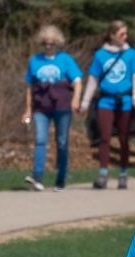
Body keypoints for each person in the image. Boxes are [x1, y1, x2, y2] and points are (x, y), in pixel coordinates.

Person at [78, 21, 135, 191]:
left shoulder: (131, 53)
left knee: (123, 138)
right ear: (112, 35)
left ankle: (123, 173)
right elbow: (93, 80)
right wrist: (85, 103)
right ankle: (103, 173)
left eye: (126, 34)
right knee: (105, 137)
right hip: (105, 101)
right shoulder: (101, 55)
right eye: (121, 34)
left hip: (125, 101)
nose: (125, 37)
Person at [22, 24, 83, 192]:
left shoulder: (65, 59)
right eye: (45, 43)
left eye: (51, 43)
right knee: (40, 139)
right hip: (41, 107)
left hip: (62, 106)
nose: (48, 47)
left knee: (62, 141)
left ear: (57, 43)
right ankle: (37, 177)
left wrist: (76, 99)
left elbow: (77, 81)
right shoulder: (35, 61)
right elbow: (29, 87)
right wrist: (28, 109)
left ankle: (61, 178)